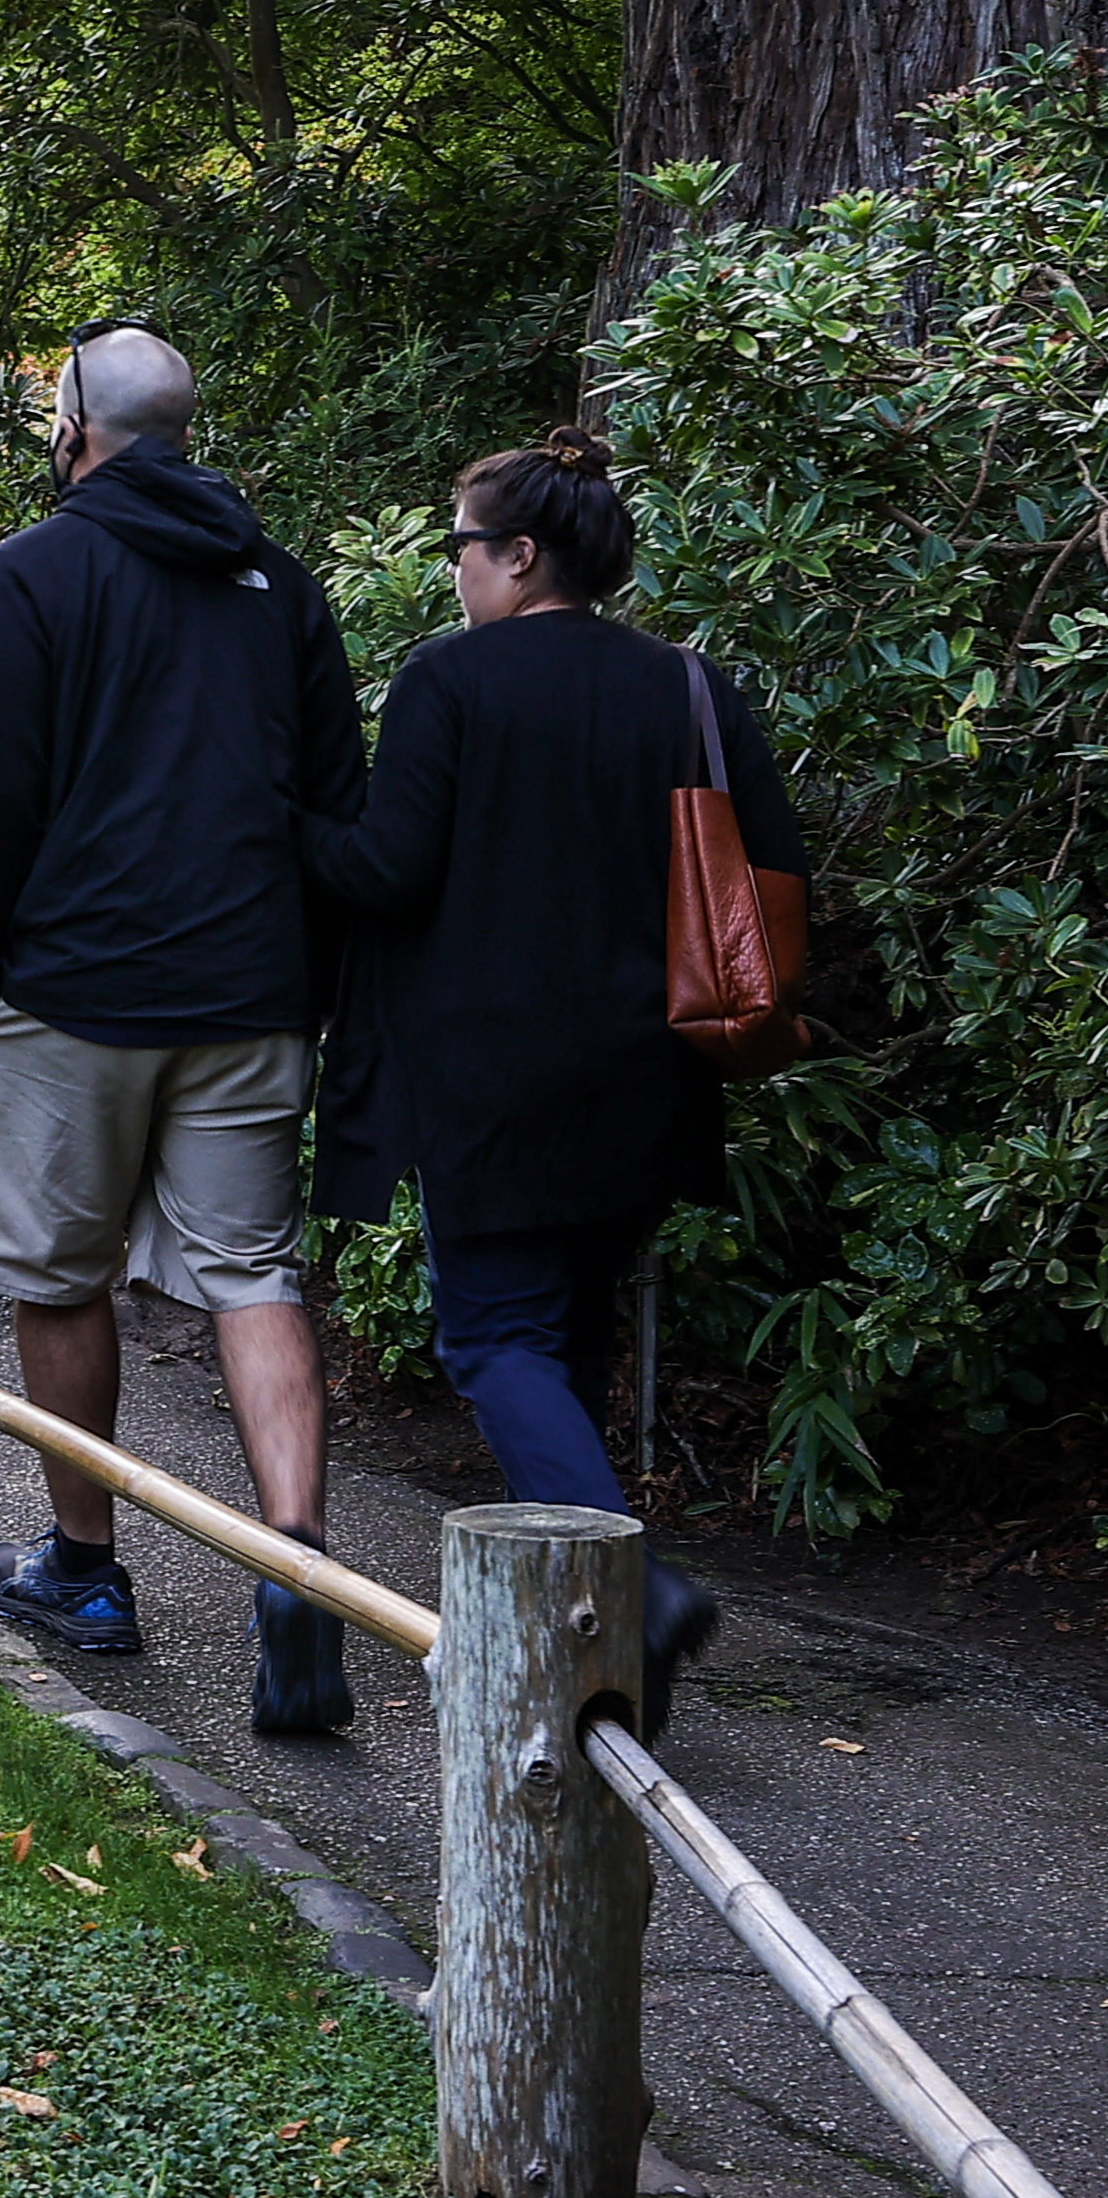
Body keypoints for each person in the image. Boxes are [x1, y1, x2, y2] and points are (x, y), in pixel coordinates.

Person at [297, 431, 803, 1741]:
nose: (453, 570)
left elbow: (388, 869)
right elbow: (769, 867)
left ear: (520, 556)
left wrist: (293, 821)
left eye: (461, 546)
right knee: (569, 1338)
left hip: (494, 1074)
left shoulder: (452, 684)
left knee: (493, 1337)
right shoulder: (691, 686)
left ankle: (630, 1597)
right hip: (654, 1067)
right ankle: (611, 1676)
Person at [0, 324, 369, 1729]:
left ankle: (85, 1571)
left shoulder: (34, 571)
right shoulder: (279, 585)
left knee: (60, 1277)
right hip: (249, 988)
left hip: (71, 987)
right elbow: (334, 794)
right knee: (254, 1272)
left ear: (75, 425)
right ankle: (299, 1565)